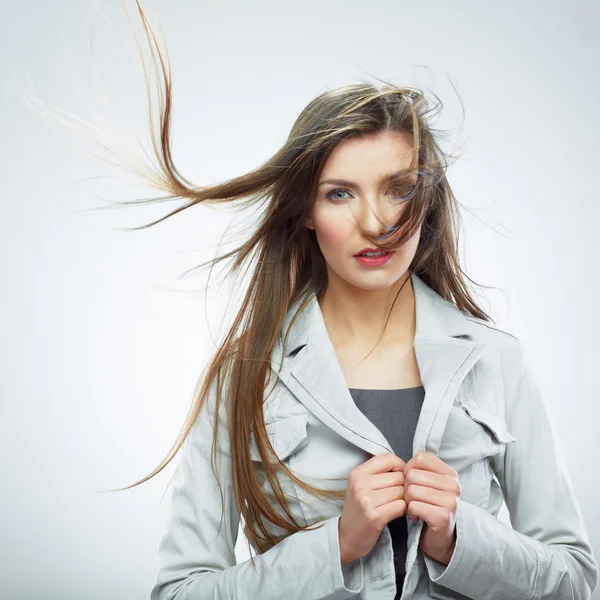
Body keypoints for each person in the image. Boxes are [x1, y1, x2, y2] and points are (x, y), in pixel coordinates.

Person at [43, 7, 595, 598]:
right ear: (305, 210)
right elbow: (180, 592)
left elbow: (578, 583)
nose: (376, 222)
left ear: (427, 199)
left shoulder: (496, 360)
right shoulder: (245, 375)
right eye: (339, 194)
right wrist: (334, 545)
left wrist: (462, 540)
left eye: (398, 189)